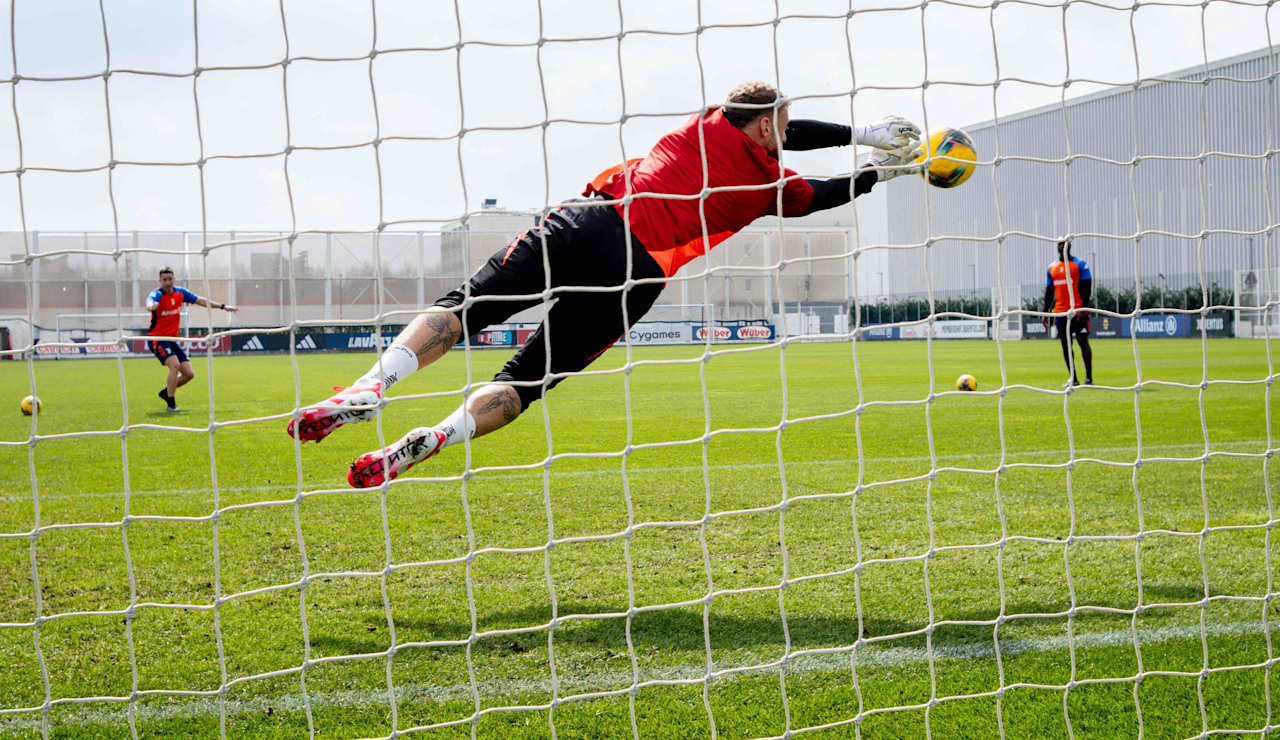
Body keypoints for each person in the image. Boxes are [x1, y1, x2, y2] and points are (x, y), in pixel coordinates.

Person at [288, 81, 925, 488]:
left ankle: (375, 384)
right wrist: (877, 169)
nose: (788, 136)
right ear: (766, 129)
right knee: (525, 378)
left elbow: (784, 128)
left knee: (467, 307)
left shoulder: (701, 125)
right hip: (636, 273)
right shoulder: (764, 189)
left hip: (590, 220)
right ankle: (431, 440)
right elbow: (816, 194)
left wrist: (864, 134)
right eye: (780, 127)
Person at [145, 266, 237, 411]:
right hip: (157, 339)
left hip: (171, 340)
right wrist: (152, 306)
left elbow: (200, 300)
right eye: (165, 280)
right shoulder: (156, 294)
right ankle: (171, 404)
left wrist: (223, 306)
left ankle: (165, 392)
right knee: (174, 365)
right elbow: (149, 303)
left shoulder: (180, 293)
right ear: (160, 281)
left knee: (189, 374)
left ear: (174, 279)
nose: (168, 282)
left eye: (170, 279)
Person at [1042, 239, 1094, 386]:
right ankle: (1073, 379)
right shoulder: (1051, 268)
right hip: (1060, 313)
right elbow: (1049, 292)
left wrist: (1084, 308)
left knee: (1083, 343)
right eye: (1060, 244)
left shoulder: (1080, 264)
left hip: (1078, 312)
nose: (1062, 246)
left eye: (1065, 243)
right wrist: (1045, 312)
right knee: (1066, 346)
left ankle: (1089, 378)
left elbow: (1087, 288)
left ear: (1069, 246)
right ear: (1057, 247)